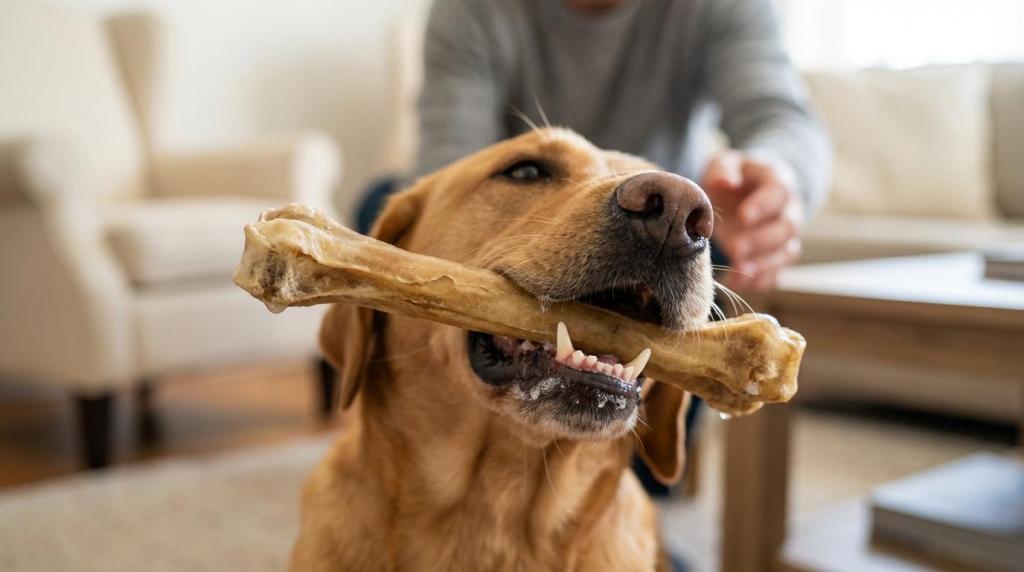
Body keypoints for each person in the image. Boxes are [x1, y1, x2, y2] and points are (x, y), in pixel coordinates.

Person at [413, 0, 830, 292]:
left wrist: (778, 176)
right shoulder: (470, 8)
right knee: (387, 203)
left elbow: (780, 118)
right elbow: (448, 170)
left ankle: (669, 410)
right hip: (522, 232)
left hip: (671, 229)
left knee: (719, 231)